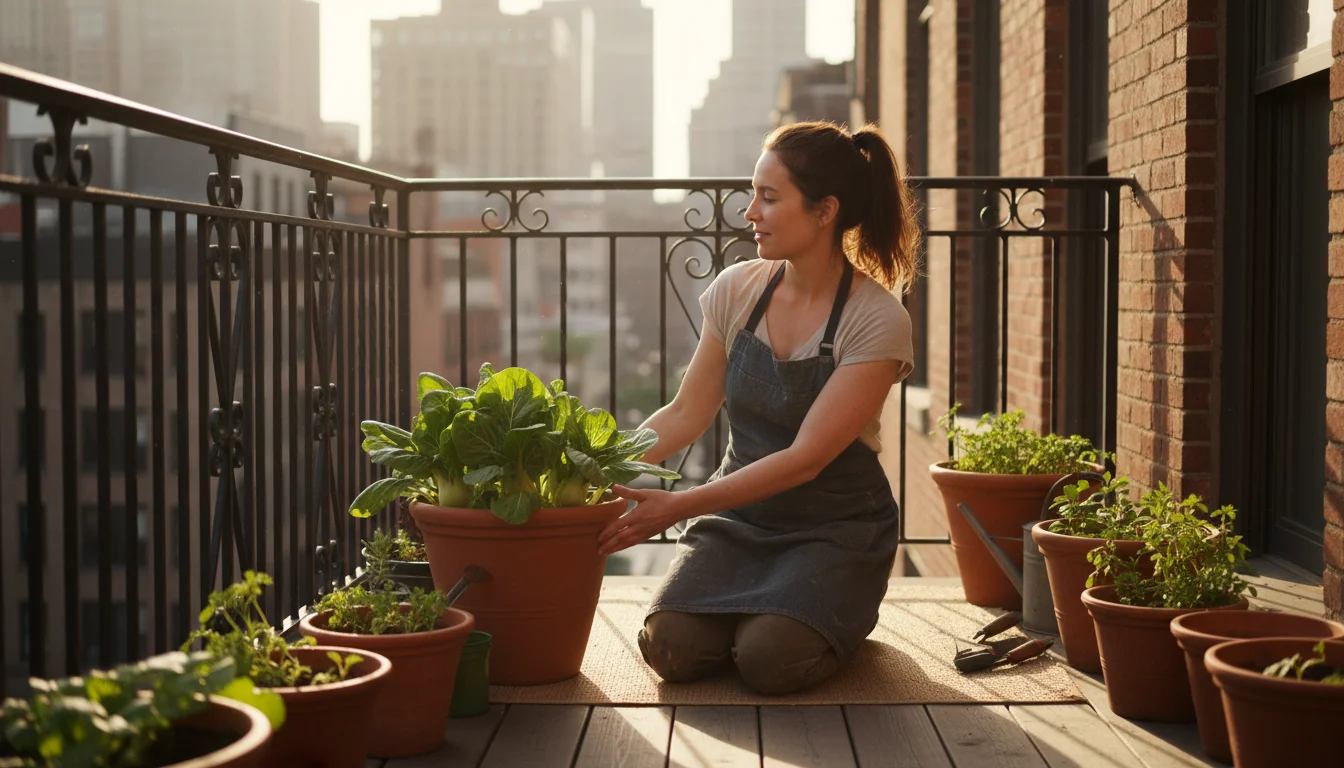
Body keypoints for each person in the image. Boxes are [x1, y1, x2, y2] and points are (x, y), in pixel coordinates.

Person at [598, 121, 919, 695]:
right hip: (740, 520)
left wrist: (677, 506)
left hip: (834, 528)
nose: (750, 213)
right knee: (669, 645)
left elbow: (804, 460)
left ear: (825, 211)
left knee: (771, 659)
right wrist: (595, 470)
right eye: (753, 194)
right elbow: (683, 414)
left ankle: (804, 618)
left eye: (769, 198)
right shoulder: (736, 290)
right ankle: (766, 618)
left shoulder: (876, 319)